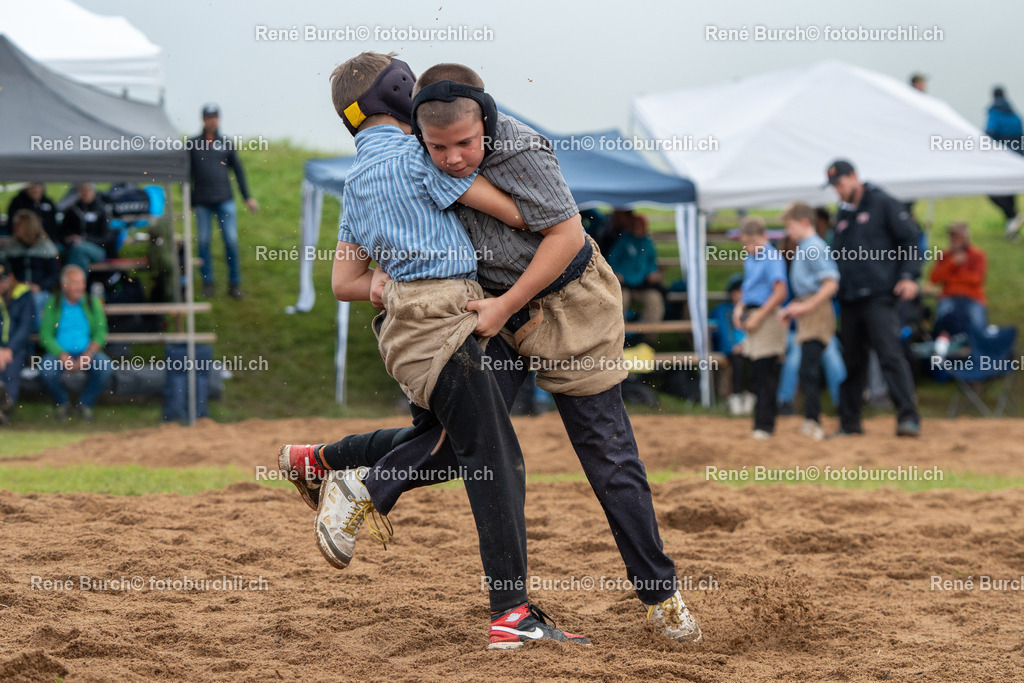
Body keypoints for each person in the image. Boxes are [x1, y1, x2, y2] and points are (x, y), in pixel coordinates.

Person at [280, 59, 702, 645]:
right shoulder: (416, 155)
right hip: (486, 309)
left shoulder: (520, 150)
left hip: (567, 306)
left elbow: (566, 235)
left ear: (484, 121)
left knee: (607, 455)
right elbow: (358, 268)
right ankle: (502, 605)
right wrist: (400, 283)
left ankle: (661, 597)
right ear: (414, 120)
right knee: (468, 441)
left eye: (464, 144)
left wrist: (492, 302)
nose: (452, 158)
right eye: (438, 145)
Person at [309, 52, 590, 650]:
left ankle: (322, 461)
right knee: (495, 458)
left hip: (401, 332)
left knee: (451, 444)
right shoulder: (419, 156)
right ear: (402, 98)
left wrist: (388, 280)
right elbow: (520, 215)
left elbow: (344, 284)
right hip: (446, 317)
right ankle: (508, 612)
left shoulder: (354, 181)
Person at [825, 159, 922, 438]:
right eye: (834, 187)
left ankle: (908, 418)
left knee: (890, 356)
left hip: (879, 297)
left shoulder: (884, 203)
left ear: (854, 177)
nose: (838, 190)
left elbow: (910, 241)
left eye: (840, 184)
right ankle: (849, 423)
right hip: (850, 299)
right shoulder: (843, 214)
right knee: (852, 363)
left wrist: (909, 276)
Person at [779, 202, 840, 441]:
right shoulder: (806, 246)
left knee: (809, 367)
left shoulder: (813, 246)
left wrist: (806, 306)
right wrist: (795, 307)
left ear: (804, 222)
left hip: (815, 312)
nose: (788, 232)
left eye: (790, 226)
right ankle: (811, 418)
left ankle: (814, 419)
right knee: (807, 366)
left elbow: (831, 283)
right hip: (807, 309)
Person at [188, 104, 258, 299]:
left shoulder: (226, 143)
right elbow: (187, 175)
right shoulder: (193, 144)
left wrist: (247, 197)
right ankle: (207, 282)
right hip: (202, 202)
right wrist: (189, 201)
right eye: (209, 117)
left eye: (215, 117)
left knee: (231, 241)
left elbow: (238, 171)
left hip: (224, 200)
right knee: (203, 242)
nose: (212, 121)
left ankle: (234, 283)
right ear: (203, 119)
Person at [733, 217, 788, 438]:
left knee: (766, 371)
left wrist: (759, 316)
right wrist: (739, 308)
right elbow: (748, 289)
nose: (749, 247)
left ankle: (766, 424)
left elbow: (780, 292)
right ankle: (759, 422)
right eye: (745, 243)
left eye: (753, 242)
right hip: (753, 313)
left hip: (768, 316)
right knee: (756, 370)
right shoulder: (751, 258)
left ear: (764, 236)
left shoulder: (772, 257)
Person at [38, 265, 113, 422]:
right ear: (64, 285)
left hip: (87, 352)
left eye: (82, 282)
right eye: (75, 283)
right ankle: (62, 403)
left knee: (105, 366)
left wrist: (89, 353)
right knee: (46, 370)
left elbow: (101, 332)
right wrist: (61, 355)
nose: (80, 287)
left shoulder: (92, 303)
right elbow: (45, 335)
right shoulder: (54, 303)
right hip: (59, 353)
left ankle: (85, 404)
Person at [606, 213, 665, 343]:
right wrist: (616, 273)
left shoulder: (648, 243)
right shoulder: (622, 242)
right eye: (635, 226)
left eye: (640, 226)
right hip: (624, 284)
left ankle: (648, 339)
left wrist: (653, 273)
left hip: (643, 285)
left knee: (655, 300)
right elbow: (612, 261)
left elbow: (651, 263)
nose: (637, 229)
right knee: (620, 300)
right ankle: (618, 339)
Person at [929, 221, 987, 335]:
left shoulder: (977, 255)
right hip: (950, 296)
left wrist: (950, 279)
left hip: (972, 296)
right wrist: (952, 262)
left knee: (977, 321)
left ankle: (979, 341)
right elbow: (934, 278)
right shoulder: (945, 255)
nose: (954, 239)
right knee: (943, 317)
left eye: (958, 236)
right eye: (952, 236)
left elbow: (976, 279)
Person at [2, 209, 61, 321]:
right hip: (17, 288)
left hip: (41, 291)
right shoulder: (12, 247)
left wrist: (39, 286)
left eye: (18, 225)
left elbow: (55, 275)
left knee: (35, 301)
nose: (15, 228)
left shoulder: (46, 247)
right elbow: (7, 271)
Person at [984, 87, 1024, 238]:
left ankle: (1013, 216)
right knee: (1010, 193)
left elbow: (990, 133)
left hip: (1000, 159)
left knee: (992, 192)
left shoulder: (994, 113)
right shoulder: (1015, 114)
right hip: (1016, 158)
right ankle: (1012, 229)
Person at [0, 258, 35, 425]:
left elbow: (26, 325)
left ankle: (7, 411)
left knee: (11, 371)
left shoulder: (23, 294)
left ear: (11, 277)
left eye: (2, 280)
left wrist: (9, 349)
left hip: (16, 348)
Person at [711, 274, 752, 416]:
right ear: (732, 293)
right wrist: (733, 347)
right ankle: (734, 397)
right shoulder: (723, 310)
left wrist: (746, 345)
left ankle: (750, 396)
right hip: (729, 349)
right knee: (737, 363)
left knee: (755, 362)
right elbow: (724, 332)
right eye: (738, 291)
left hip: (747, 347)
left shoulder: (749, 309)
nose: (741, 294)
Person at [60, 183, 115, 271]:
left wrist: (84, 239)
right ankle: (77, 278)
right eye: (82, 191)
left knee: (79, 249)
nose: (85, 193)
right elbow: (63, 231)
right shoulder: (73, 210)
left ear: (94, 192)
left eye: (88, 191)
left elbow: (106, 238)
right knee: (79, 255)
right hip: (73, 246)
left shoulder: (102, 211)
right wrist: (70, 238)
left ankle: (70, 277)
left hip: (97, 249)